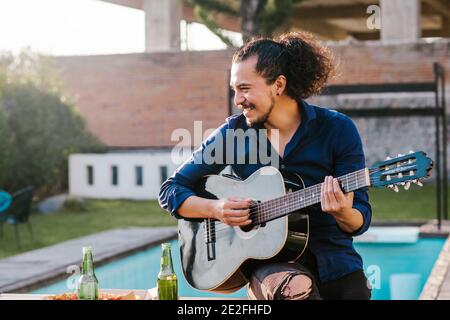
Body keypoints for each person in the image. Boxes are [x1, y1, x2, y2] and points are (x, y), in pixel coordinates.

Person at [159, 31, 372, 300]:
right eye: (235, 90)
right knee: (294, 290)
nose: (237, 100)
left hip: (335, 261)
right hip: (270, 266)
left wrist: (343, 212)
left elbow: (360, 217)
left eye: (245, 88)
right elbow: (170, 189)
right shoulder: (232, 134)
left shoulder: (337, 129)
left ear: (278, 85)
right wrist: (216, 209)